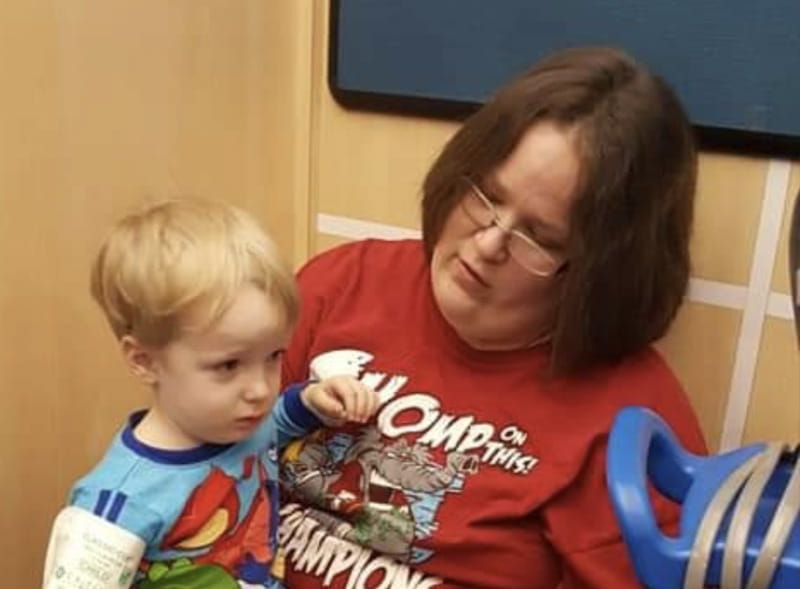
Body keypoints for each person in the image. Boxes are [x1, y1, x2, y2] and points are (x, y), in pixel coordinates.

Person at [276, 46, 707, 588]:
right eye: (485, 194)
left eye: (539, 237)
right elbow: (199, 450)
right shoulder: (343, 283)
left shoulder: (632, 420)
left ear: (601, 275)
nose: (486, 244)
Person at [41, 199, 378, 588]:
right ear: (144, 361)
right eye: (228, 365)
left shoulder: (236, 426)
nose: (260, 389)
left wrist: (309, 402)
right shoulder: (118, 502)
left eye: (273, 357)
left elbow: (274, 427)